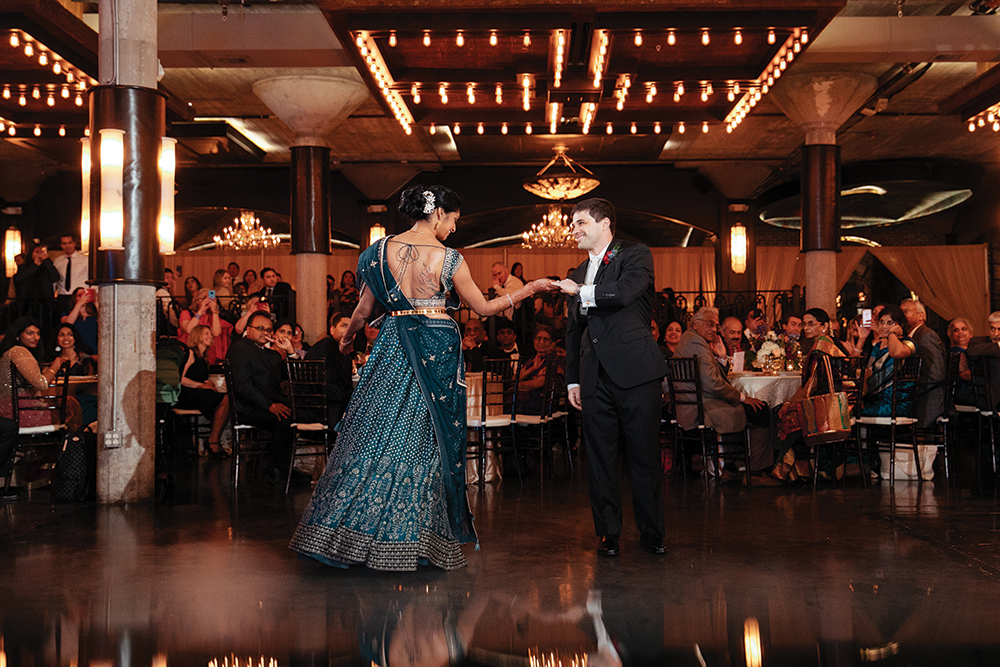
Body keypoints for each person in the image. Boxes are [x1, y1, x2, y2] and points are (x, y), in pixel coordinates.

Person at [290, 184, 553, 571]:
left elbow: (362, 312)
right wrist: (528, 289)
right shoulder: (448, 258)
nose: (454, 228)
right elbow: (483, 308)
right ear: (439, 213)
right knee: (426, 440)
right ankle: (410, 539)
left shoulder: (377, 253)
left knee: (375, 434)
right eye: (455, 220)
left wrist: (346, 341)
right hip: (438, 347)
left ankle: (345, 533)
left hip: (393, 344)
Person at [554, 197, 668, 557]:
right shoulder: (575, 273)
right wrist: (573, 379)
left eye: (581, 223)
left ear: (605, 225)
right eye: (574, 224)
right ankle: (608, 533)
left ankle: (652, 533)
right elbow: (573, 332)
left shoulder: (634, 255)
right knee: (599, 459)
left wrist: (582, 291)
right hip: (593, 376)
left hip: (636, 371)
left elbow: (625, 292)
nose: (575, 230)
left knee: (643, 456)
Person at [674, 307, 777, 485]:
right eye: (710, 324)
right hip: (704, 408)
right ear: (696, 323)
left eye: (716, 325)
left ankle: (730, 468)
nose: (714, 329)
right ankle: (756, 472)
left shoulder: (689, 338)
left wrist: (721, 358)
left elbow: (711, 378)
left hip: (697, 404)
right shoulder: (697, 343)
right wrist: (743, 398)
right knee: (761, 411)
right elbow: (713, 384)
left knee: (743, 406)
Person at [774, 308, 846, 482]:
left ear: (824, 326)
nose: (805, 328)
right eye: (804, 324)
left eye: (811, 323)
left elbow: (811, 386)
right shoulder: (831, 344)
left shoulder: (821, 348)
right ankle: (800, 469)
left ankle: (786, 472)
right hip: (840, 403)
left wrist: (790, 403)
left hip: (825, 406)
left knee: (781, 414)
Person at [226, 311, 293, 481]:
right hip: (250, 408)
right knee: (286, 420)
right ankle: (276, 469)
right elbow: (243, 386)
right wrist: (269, 405)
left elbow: (290, 376)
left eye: (269, 330)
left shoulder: (269, 353)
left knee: (300, 414)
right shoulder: (240, 348)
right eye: (260, 328)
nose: (266, 333)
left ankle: (288, 467)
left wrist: (290, 351)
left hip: (268, 404)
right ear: (248, 329)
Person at [0, 317, 81, 430]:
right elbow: (41, 383)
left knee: (68, 402)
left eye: (38, 334)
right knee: (70, 404)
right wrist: (57, 363)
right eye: (30, 333)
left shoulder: (11, 352)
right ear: (18, 335)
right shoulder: (18, 351)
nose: (36, 337)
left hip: (11, 411)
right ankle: (74, 444)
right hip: (23, 413)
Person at [177, 324, 230, 458]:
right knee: (225, 400)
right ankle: (213, 441)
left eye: (211, 334)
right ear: (197, 335)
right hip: (186, 394)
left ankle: (214, 440)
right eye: (206, 333)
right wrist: (201, 385)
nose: (210, 337)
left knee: (228, 399)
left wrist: (207, 384)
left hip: (196, 392)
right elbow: (181, 379)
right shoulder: (190, 353)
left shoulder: (204, 357)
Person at [860, 305, 916, 418]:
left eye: (890, 323)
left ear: (901, 325)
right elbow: (869, 373)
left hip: (895, 402)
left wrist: (892, 334)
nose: (885, 326)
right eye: (882, 322)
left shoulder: (908, 343)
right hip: (873, 398)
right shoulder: (877, 346)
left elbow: (895, 353)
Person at [305, 311, 355, 430]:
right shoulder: (325, 349)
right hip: (317, 408)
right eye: (344, 325)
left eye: (352, 327)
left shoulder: (344, 354)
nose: (349, 330)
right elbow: (327, 387)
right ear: (332, 330)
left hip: (330, 404)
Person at [900, 298, 945, 427]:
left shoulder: (926, 335)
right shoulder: (911, 337)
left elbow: (936, 374)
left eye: (906, 311)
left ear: (920, 316)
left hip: (929, 399)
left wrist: (910, 388)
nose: (902, 316)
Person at [49, 323, 97, 426]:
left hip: (82, 401)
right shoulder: (52, 361)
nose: (66, 338)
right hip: (58, 401)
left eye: (70, 334)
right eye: (61, 335)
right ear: (57, 339)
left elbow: (89, 384)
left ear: (75, 337)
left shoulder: (85, 360)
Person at [515, 324, 565, 415]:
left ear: (553, 344)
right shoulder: (532, 360)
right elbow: (513, 379)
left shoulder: (554, 361)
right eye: (538, 338)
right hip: (526, 402)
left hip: (542, 405)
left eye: (546, 340)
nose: (541, 342)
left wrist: (517, 385)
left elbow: (536, 384)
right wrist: (532, 369)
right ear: (534, 341)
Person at [179, 288, 233, 365]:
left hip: (207, 351)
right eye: (203, 298)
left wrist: (214, 312)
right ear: (197, 301)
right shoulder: (187, 313)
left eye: (210, 298)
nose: (207, 301)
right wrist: (200, 311)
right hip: (190, 349)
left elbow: (216, 333)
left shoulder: (212, 316)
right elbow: (188, 329)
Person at [13, 243, 59, 329]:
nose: (39, 255)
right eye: (36, 252)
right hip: (27, 303)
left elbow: (55, 277)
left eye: (41, 252)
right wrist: (35, 265)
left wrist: (47, 261)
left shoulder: (47, 268)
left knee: (45, 327)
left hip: (45, 303)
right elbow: (19, 278)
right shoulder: (25, 267)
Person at [966, 311, 1000, 411]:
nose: (996, 334)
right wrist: (998, 346)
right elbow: (971, 351)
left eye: (999, 329)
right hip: (990, 397)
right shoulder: (979, 342)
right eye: (992, 329)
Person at [53, 235, 88, 314]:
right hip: (62, 297)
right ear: (61, 245)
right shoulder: (57, 261)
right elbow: (55, 281)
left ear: (74, 243)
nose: (67, 246)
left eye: (70, 243)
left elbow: (90, 280)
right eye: (64, 243)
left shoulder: (85, 260)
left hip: (79, 296)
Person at [61, 287, 99, 357]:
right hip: (75, 351)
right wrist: (80, 303)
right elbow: (67, 324)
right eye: (80, 295)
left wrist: (95, 302)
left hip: (93, 350)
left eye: (85, 294)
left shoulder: (94, 315)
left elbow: (104, 323)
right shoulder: (66, 314)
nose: (83, 297)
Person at [947, 317, 975, 407]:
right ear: (951, 336)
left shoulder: (973, 351)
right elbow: (964, 375)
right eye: (956, 330)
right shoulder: (956, 352)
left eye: (964, 329)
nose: (961, 332)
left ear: (970, 334)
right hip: (962, 393)